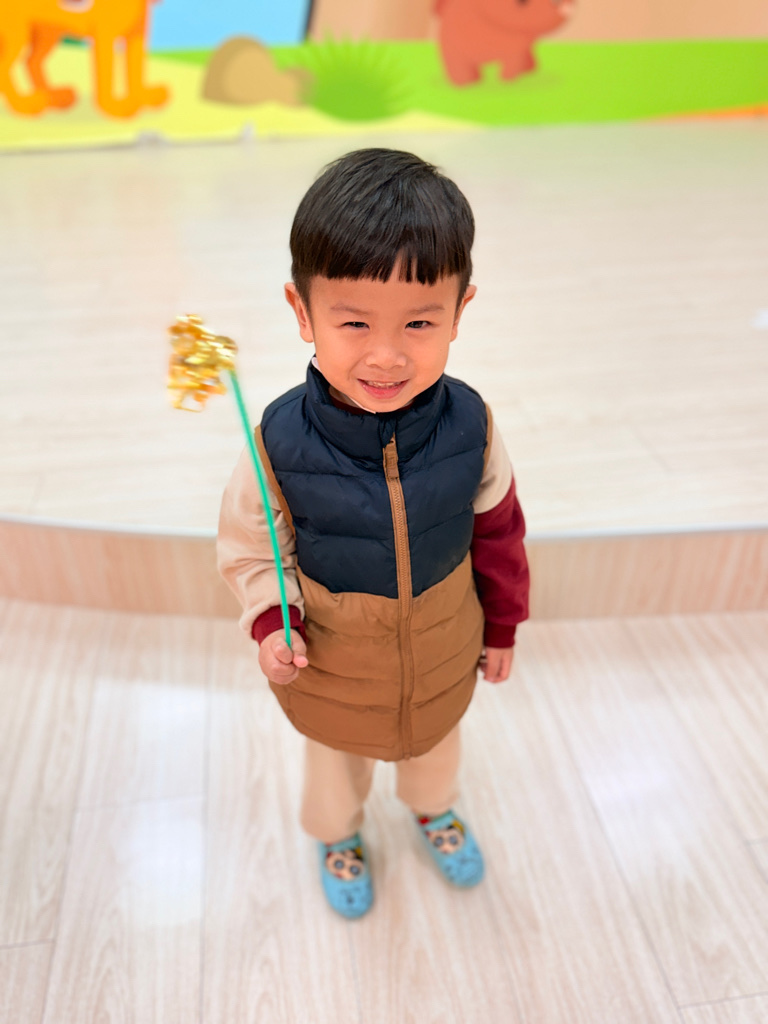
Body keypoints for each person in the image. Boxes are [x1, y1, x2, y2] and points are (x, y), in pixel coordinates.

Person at [217, 148, 529, 919]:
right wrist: (272, 620)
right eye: (353, 322)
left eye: (419, 323)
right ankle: (338, 835)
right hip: (332, 663)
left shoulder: (474, 425)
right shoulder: (276, 444)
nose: (386, 356)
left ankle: (434, 810)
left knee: (437, 750)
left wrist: (503, 625)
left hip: (443, 646)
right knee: (333, 764)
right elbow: (252, 550)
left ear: (460, 311)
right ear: (302, 312)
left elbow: (500, 532)